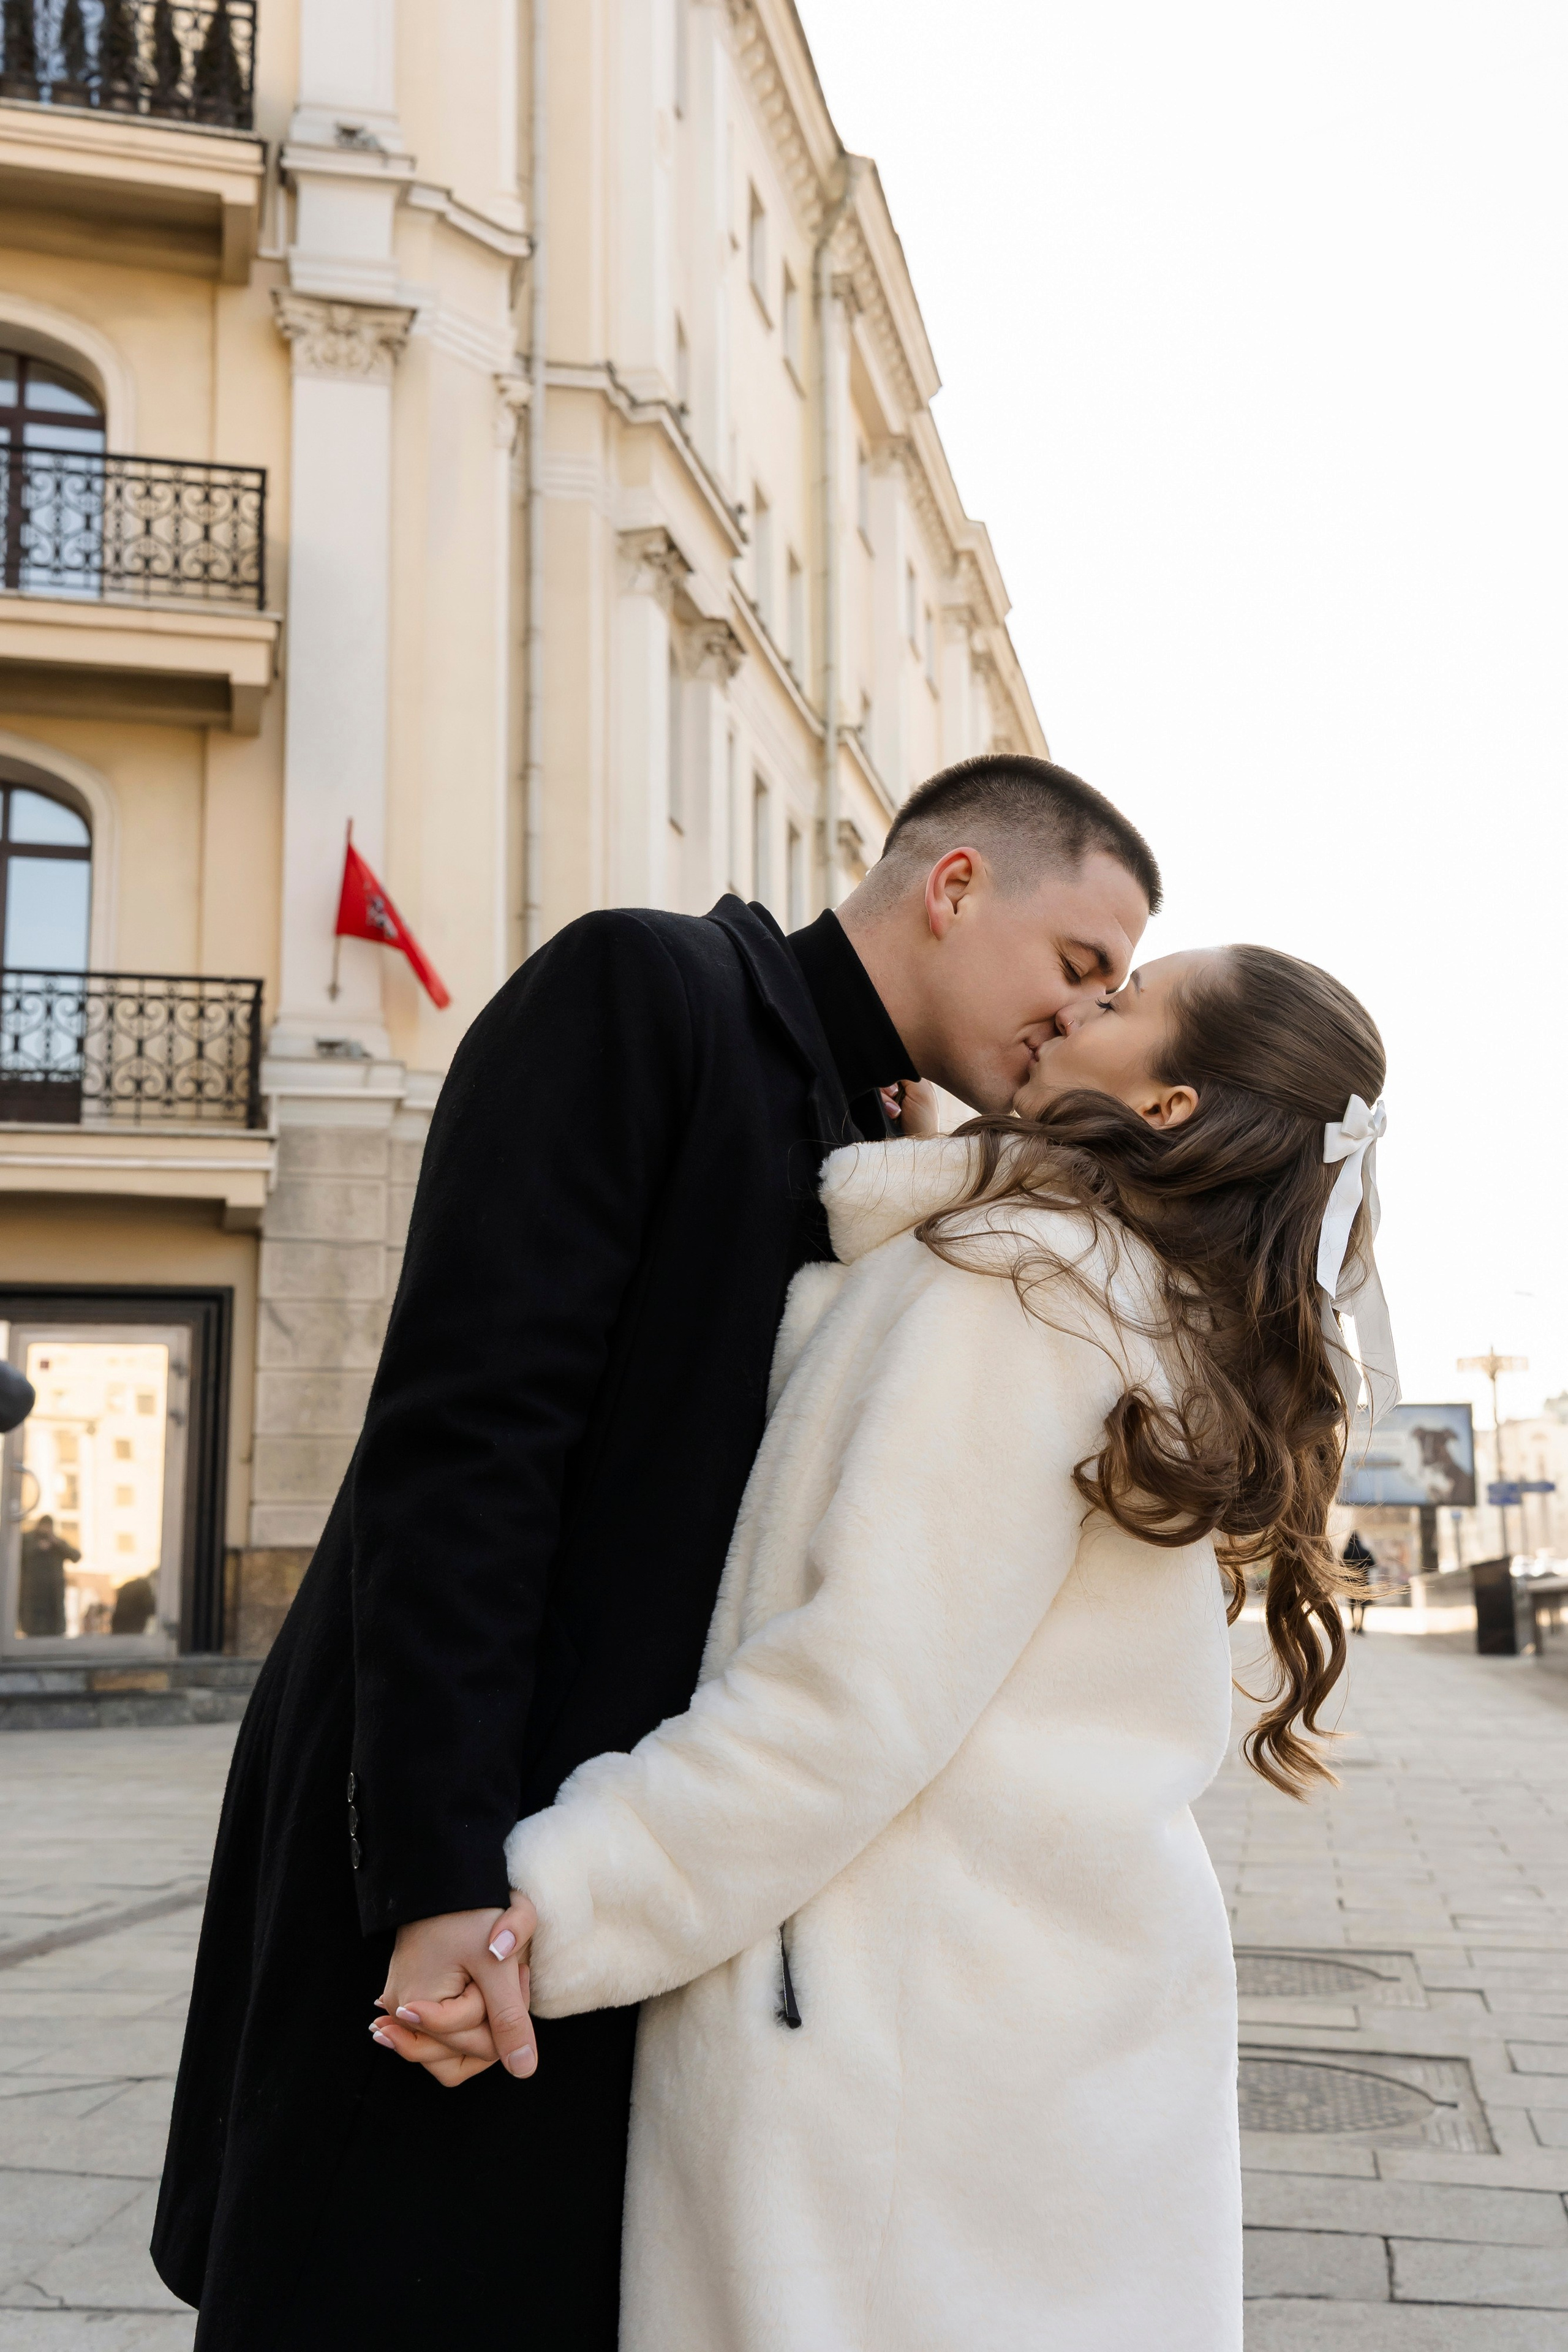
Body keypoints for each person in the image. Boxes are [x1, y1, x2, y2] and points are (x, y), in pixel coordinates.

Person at [151, 754, 1160, 2350]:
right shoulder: (647, 990)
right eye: (1080, 965)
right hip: (455, 1830)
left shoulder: (873, 1141)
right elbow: (464, 1448)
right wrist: (435, 1878)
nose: (1080, 1013)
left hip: (605, 1869)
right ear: (957, 884)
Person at [380, 941, 1393, 2351]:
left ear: (1168, 1103)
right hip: (1038, 1995)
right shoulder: (1132, 1297)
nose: (1073, 1004)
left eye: (1123, 997)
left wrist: (548, 1908)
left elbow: (845, 1697)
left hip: (900, 2016)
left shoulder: (1020, 1291)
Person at [17, 1513, 80, 1640]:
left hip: (53, 1594)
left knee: (54, 1630)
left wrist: (56, 1544)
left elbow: (76, 1556)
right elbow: (16, 1555)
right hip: (32, 1593)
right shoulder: (27, 1539)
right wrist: (37, 1548)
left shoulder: (56, 1543)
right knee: (33, 1629)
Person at [1343, 1529, 1378, 1632]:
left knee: (1352, 1604)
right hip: (1363, 1581)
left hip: (1351, 1583)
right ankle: (1361, 1625)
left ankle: (1354, 1624)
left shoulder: (1346, 1552)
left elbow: (1342, 1567)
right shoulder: (1365, 1551)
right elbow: (1373, 1564)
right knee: (1363, 1604)